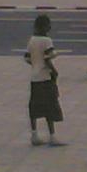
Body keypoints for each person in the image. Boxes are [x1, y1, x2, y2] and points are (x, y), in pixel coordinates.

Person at [23, 15, 65, 146]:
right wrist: (53, 70)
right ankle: (52, 136)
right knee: (50, 107)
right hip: (45, 77)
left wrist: (36, 65)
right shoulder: (46, 41)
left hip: (34, 78)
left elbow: (27, 58)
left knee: (34, 106)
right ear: (46, 27)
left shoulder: (32, 40)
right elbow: (48, 57)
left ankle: (34, 134)